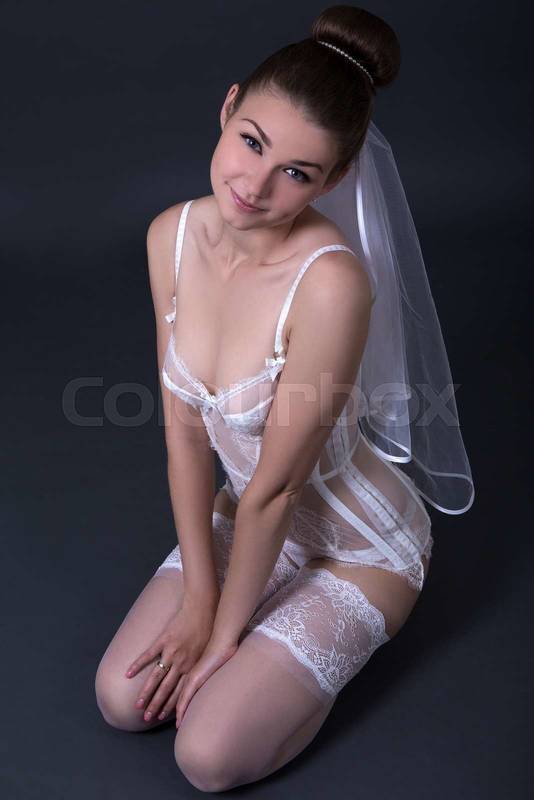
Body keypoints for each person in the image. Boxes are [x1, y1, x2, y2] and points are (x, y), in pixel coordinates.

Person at [95, 5, 474, 792]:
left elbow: (278, 487)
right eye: (253, 142)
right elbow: (184, 434)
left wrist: (222, 639)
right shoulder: (170, 236)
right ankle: (254, 648)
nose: (254, 185)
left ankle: (302, 663)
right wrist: (199, 600)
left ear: (334, 179)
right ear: (228, 107)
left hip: (358, 547)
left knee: (207, 756)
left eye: (298, 173)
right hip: (250, 520)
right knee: (120, 700)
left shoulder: (330, 286)